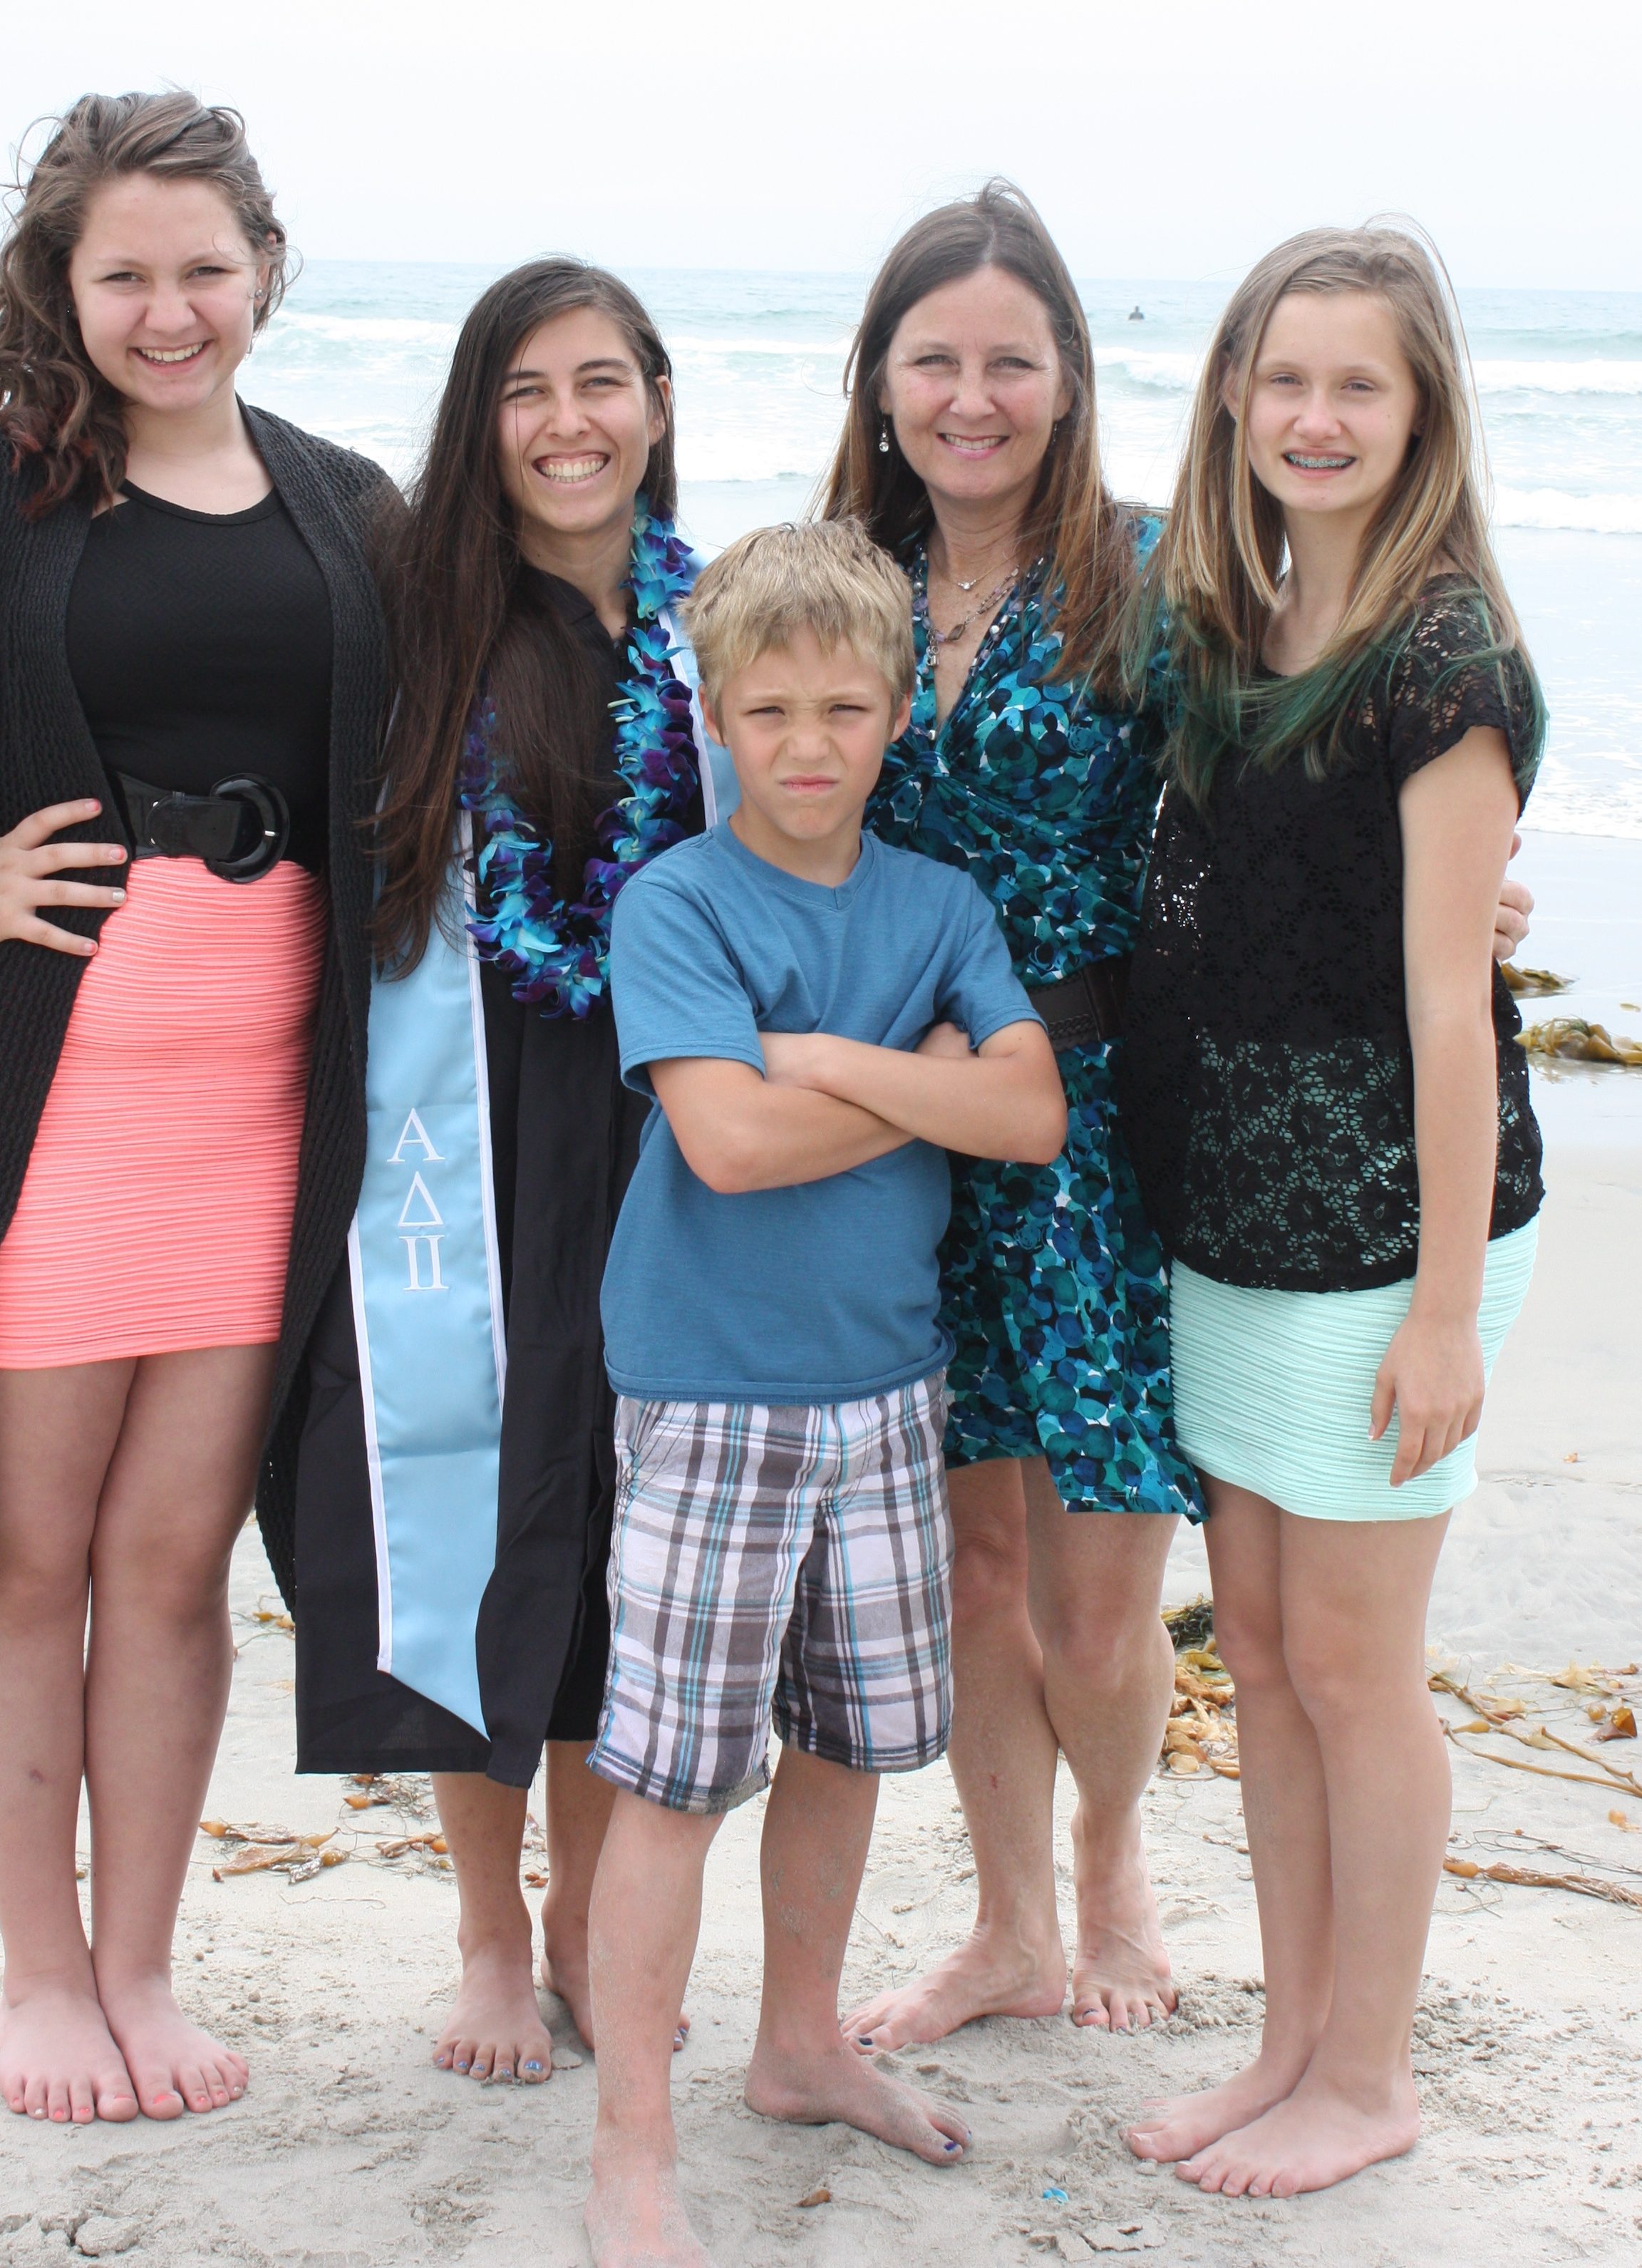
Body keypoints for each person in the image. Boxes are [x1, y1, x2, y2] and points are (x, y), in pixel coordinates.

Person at [819, 182, 1537, 2050]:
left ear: (1071, 383)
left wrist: (1467, 891)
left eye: (1012, 359)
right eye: (934, 358)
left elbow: (1305, 790)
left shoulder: (1161, 581)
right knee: (976, 1565)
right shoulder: (841, 582)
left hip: (1108, 1133)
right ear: (881, 380)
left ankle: (1122, 1862)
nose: (971, 396)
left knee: (1099, 1576)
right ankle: (1004, 1919)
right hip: (904, 1137)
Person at [0, 93, 391, 2125]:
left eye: (207, 265)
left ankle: (143, 1966)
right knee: (31, 1558)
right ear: (64, 283)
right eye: (125, 270)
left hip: (260, 1107)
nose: (170, 307)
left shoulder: (347, 504)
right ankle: (42, 1977)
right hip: (35, 1100)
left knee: (180, 1557)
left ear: (267, 268)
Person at [582, 519, 1068, 2267]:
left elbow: (1028, 1116)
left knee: (852, 1746)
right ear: (712, 713)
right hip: (713, 1393)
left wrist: (848, 1065)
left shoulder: (938, 905)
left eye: (846, 707)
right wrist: (924, 1081)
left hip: (888, 1394)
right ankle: (631, 2139)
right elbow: (728, 1138)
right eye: (769, 707)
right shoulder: (679, 901)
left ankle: (801, 2043)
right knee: (675, 1778)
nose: (807, 744)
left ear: (889, 723)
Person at [1118, 224, 1544, 2197]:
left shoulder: (1444, 656)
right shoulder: (1226, 617)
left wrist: (1447, 1307)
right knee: (1267, 1651)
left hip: (1390, 1230)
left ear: (1421, 409)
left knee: (1357, 1664)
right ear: (1229, 392)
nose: (1314, 415)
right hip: (1234, 1212)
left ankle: (1366, 2071)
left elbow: (1457, 1002)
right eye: (1284, 378)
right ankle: (1288, 2039)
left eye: (1357, 384)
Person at [291, 260, 729, 2085]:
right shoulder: (409, 625)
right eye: (527, 389)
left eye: (603, 381)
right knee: (475, 1510)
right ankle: (485, 1930)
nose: (569, 422)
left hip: (665, 1131)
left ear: (656, 403)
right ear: (481, 420)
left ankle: (581, 1915)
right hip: (454, 1125)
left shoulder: (722, 631)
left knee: (629, 1536)